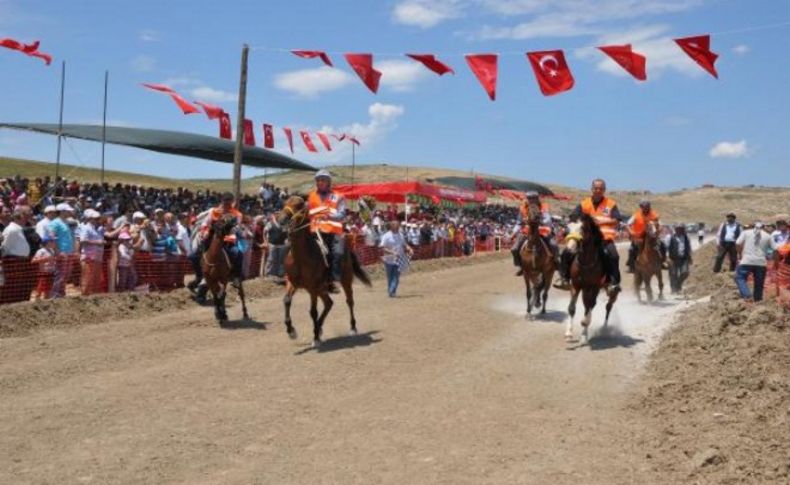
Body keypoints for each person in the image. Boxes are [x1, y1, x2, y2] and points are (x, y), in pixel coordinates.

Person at [559, 178, 623, 293]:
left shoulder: (611, 204)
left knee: (614, 256)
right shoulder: (584, 204)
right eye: (596, 188)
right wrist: (581, 219)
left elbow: (617, 219)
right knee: (566, 252)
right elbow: (573, 216)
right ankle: (564, 278)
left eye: (601, 189)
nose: (598, 190)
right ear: (591, 189)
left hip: (604, 238)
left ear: (604, 190)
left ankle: (613, 283)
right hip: (585, 238)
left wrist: (602, 222)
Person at [306, 169, 346, 293]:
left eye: (323, 180)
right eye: (318, 180)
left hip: (333, 231)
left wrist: (329, 216)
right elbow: (307, 212)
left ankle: (334, 280)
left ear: (329, 182)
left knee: (338, 253)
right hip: (315, 230)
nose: (320, 182)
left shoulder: (339, 196)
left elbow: (342, 214)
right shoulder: (311, 195)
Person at [199, 192, 244, 287]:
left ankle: (236, 276)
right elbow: (205, 223)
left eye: (229, 202)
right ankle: (199, 275)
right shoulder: (214, 211)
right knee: (193, 255)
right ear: (222, 201)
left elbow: (238, 227)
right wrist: (205, 231)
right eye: (225, 201)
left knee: (238, 253)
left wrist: (231, 230)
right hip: (212, 237)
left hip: (228, 238)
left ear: (232, 202)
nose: (227, 204)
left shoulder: (237, 214)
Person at [510, 191, 556, 276]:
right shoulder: (523, 208)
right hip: (527, 230)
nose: (531, 200)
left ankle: (556, 263)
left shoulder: (543, 206)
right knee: (514, 249)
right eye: (529, 198)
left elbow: (547, 220)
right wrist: (513, 233)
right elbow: (518, 222)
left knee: (554, 245)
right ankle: (521, 265)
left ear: (537, 198)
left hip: (542, 229)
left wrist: (537, 220)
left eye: (533, 198)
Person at [734, 222, 778, 302]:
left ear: (753, 226)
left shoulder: (746, 232)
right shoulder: (768, 236)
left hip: (747, 261)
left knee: (739, 277)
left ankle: (747, 295)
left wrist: (740, 253)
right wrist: (776, 262)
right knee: (759, 283)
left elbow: (737, 243)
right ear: (763, 227)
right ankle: (758, 300)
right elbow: (775, 250)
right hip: (761, 263)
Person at [625, 200, 665, 273]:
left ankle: (662, 262)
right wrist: (631, 232)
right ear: (641, 207)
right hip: (639, 236)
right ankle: (631, 265)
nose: (646, 208)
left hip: (652, 236)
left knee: (662, 245)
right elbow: (627, 224)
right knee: (632, 249)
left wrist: (658, 231)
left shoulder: (654, 215)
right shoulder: (636, 215)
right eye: (644, 206)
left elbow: (661, 225)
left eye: (647, 206)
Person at [48, 203, 75, 298]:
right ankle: (55, 295)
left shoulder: (66, 222)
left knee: (66, 274)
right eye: (68, 210)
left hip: (69, 252)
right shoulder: (55, 223)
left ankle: (61, 293)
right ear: (62, 211)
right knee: (60, 274)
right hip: (61, 252)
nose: (70, 212)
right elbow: (51, 237)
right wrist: (57, 251)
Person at [379, 220, 413, 298]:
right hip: (389, 260)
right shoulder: (386, 236)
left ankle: (392, 291)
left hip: (399, 259)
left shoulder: (401, 235)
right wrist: (392, 253)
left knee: (396, 276)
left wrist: (409, 249)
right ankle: (391, 291)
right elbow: (382, 248)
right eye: (396, 225)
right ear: (392, 226)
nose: (398, 227)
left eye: (398, 225)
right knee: (390, 277)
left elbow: (404, 245)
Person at [78, 209, 105, 296]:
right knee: (87, 278)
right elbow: (83, 240)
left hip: (97, 257)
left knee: (96, 278)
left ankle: (93, 295)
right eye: (95, 218)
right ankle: (85, 296)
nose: (97, 220)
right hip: (88, 257)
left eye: (98, 218)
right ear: (90, 219)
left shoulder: (98, 229)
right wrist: (97, 242)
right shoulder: (86, 228)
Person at [668, 224, 693, 294]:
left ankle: (678, 285)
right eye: (678, 229)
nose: (679, 230)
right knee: (673, 274)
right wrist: (668, 258)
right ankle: (673, 289)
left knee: (685, 272)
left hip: (684, 258)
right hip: (673, 258)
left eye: (681, 229)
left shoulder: (686, 237)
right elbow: (667, 248)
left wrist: (690, 257)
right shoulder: (671, 237)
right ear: (675, 230)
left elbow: (689, 248)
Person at [31, 235, 57, 300]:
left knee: (48, 289)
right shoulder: (41, 251)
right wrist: (45, 259)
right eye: (52, 241)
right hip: (43, 272)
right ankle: (37, 300)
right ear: (47, 242)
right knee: (40, 288)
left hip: (51, 272)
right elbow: (33, 260)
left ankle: (46, 300)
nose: (54, 243)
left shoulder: (52, 250)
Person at [263, 213, 287, 281]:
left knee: (281, 260)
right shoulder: (270, 223)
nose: (278, 216)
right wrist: (265, 241)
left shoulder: (284, 224)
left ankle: (279, 274)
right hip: (272, 244)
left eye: (279, 215)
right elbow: (264, 232)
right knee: (271, 259)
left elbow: (287, 233)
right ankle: (268, 274)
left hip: (282, 245)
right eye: (276, 215)